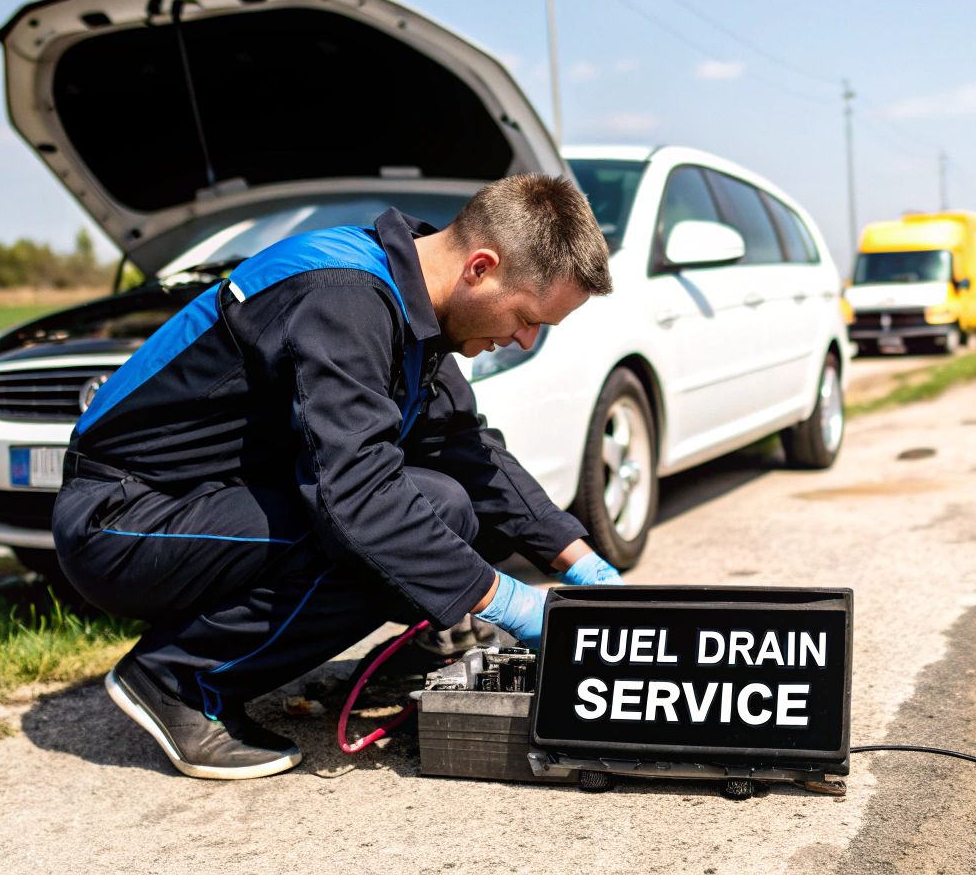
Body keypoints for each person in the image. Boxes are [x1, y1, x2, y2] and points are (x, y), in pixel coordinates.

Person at [51, 173, 622, 780]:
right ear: (481, 268)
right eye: (529, 318)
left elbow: (464, 449)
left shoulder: (414, 308)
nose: (523, 339)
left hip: (204, 505)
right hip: (124, 520)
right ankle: (177, 681)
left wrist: (582, 565)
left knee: (446, 503)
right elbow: (356, 496)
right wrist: (508, 602)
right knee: (377, 520)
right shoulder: (342, 297)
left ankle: (413, 641)